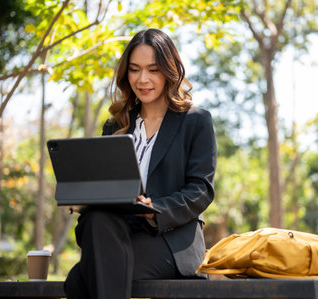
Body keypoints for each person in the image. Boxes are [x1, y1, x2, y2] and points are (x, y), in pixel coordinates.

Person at [64, 28, 217, 299]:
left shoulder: (196, 121)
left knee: (80, 280)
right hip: (115, 234)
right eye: (134, 70)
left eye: (153, 70)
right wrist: (85, 198)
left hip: (171, 241)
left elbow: (201, 190)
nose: (142, 79)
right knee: (96, 219)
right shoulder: (115, 126)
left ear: (169, 71)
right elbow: (106, 187)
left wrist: (154, 209)